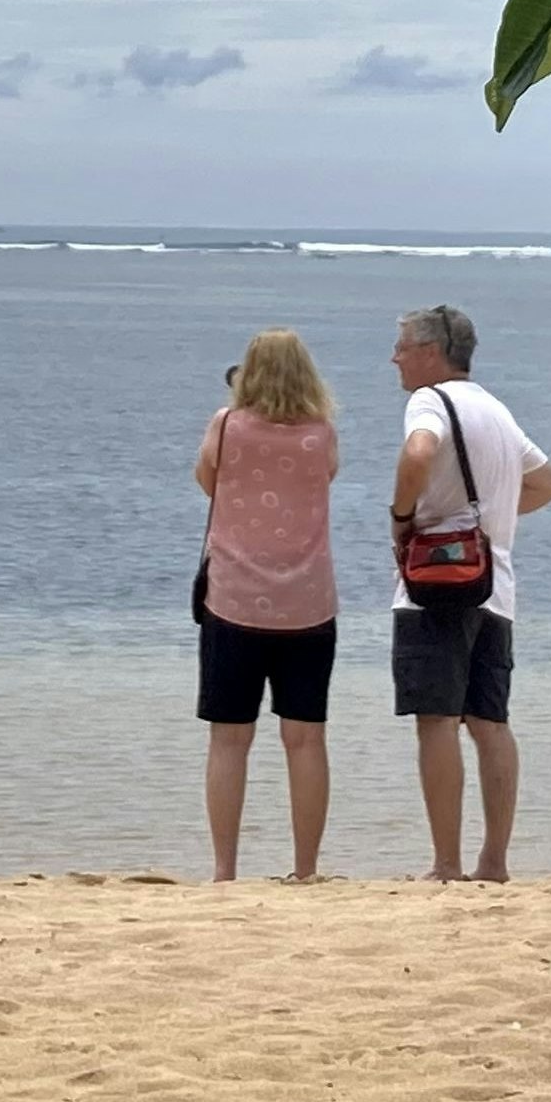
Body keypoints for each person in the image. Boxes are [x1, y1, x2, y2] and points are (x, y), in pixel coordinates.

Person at [386, 303, 551, 882]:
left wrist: (403, 517)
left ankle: (445, 864)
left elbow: (418, 453)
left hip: (436, 584)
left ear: (432, 352)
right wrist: (492, 521)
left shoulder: (429, 401)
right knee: (490, 721)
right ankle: (495, 863)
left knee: (435, 719)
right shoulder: (497, 410)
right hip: (496, 586)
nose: (395, 358)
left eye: (403, 346)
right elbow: (547, 483)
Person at [194, 327, 341, 883]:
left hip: (233, 600)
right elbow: (327, 475)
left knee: (230, 738)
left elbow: (207, 481)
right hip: (308, 603)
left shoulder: (227, 425)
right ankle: (306, 870)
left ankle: (224, 870)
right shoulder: (321, 433)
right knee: (304, 737)